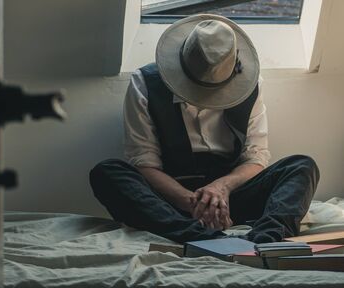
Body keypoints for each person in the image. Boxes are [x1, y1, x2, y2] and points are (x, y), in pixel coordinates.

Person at [89, 14, 319, 244]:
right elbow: (145, 163)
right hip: (170, 200)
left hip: (231, 196)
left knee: (301, 166)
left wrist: (221, 188)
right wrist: (195, 202)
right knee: (107, 173)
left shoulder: (250, 86)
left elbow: (256, 158)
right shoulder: (144, 83)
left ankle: (265, 240)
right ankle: (205, 238)